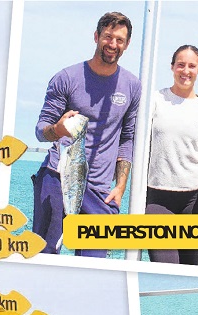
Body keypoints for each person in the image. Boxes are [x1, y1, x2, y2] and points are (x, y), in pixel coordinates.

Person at [32, 11, 141, 257]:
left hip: (102, 191)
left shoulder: (132, 86)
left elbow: (127, 138)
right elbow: (41, 130)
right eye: (108, 37)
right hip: (58, 177)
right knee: (45, 256)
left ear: (127, 44)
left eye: (120, 40)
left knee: (95, 266)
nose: (113, 44)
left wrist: (121, 186)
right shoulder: (66, 78)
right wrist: (56, 130)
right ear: (96, 36)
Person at [146, 45, 198, 265]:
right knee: (164, 267)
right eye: (180, 64)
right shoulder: (154, 101)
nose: (185, 70)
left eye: (192, 66)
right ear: (172, 67)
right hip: (158, 198)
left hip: (197, 200)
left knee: (191, 269)